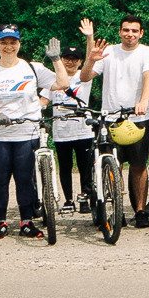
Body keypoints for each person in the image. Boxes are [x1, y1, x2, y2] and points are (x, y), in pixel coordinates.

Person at [0, 26, 50, 238]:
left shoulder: (32, 67)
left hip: (26, 132)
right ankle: (0, 223)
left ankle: (26, 222)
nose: (8, 46)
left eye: (12, 42)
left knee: (25, 178)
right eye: (3, 42)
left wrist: (57, 60)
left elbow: (62, 83)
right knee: (0, 178)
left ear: (19, 44)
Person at [82, 16, 149, 220]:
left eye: (134, 31)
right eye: (126, 30)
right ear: (120, 32)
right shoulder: (108, 52)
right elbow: (85, 77)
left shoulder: (147, 52)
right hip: (110, 118)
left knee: (138, 166)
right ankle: (118, 210)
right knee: (114, 165)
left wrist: (143, 101)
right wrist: (90, 60)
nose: (130, 34)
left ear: (141, 33)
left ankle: (140, 210)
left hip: (138, 118)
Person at [47, 45, 96, 212]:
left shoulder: (85, 77)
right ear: (61, 60)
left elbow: (92, 58)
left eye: (74, 59)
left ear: (80, 61)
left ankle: (84, 198)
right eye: (67, 58)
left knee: (85, 167)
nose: (70, 62)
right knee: (65, 167)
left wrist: (89, 38)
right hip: (61, 132)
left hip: (83, 130)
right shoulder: (53, 78)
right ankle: (68, 200)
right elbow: (43, 100)